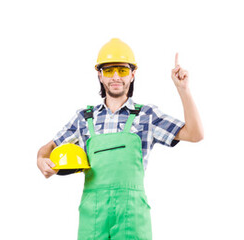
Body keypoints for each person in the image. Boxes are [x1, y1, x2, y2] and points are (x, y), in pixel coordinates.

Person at [35, 38, 204, 239]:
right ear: (100, 75)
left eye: (122, 70)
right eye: (108, 70)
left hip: (132, 216)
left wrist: (183, 90)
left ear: (133, 74)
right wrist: (41, 160)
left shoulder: (147, 115)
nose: (116, 76)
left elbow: (195, 134)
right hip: (93, 216)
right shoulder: (84, 118)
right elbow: (49, 147)